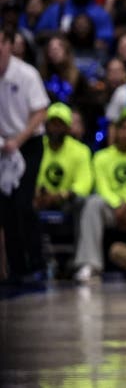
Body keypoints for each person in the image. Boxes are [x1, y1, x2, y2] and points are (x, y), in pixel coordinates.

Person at [73, 107, 126, 283]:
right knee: (93, 203)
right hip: (111, 208)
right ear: (115, 131)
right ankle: (90, 265)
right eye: (123, 128)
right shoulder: (101, 157)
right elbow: (102, 185)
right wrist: (117, 204)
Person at [0, 28, 51, 283]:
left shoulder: (26, 74)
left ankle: (38, 263)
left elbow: (40, 111)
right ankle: (17, 268)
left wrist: (17, 141)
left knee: (23, 203)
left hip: (28, 143)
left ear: (9, 45)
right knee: (6, 209)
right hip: (2, 146)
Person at [34, 103, 93, 212]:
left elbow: (84, 184)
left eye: (60, 124)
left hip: (67, 200)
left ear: (68, 128)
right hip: (39, 198)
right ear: (46, 125)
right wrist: (39, 193)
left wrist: (61, 195)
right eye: (53, 123)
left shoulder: (81, 150)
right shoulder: (36, 147)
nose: (55, 128)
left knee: (82, 201)